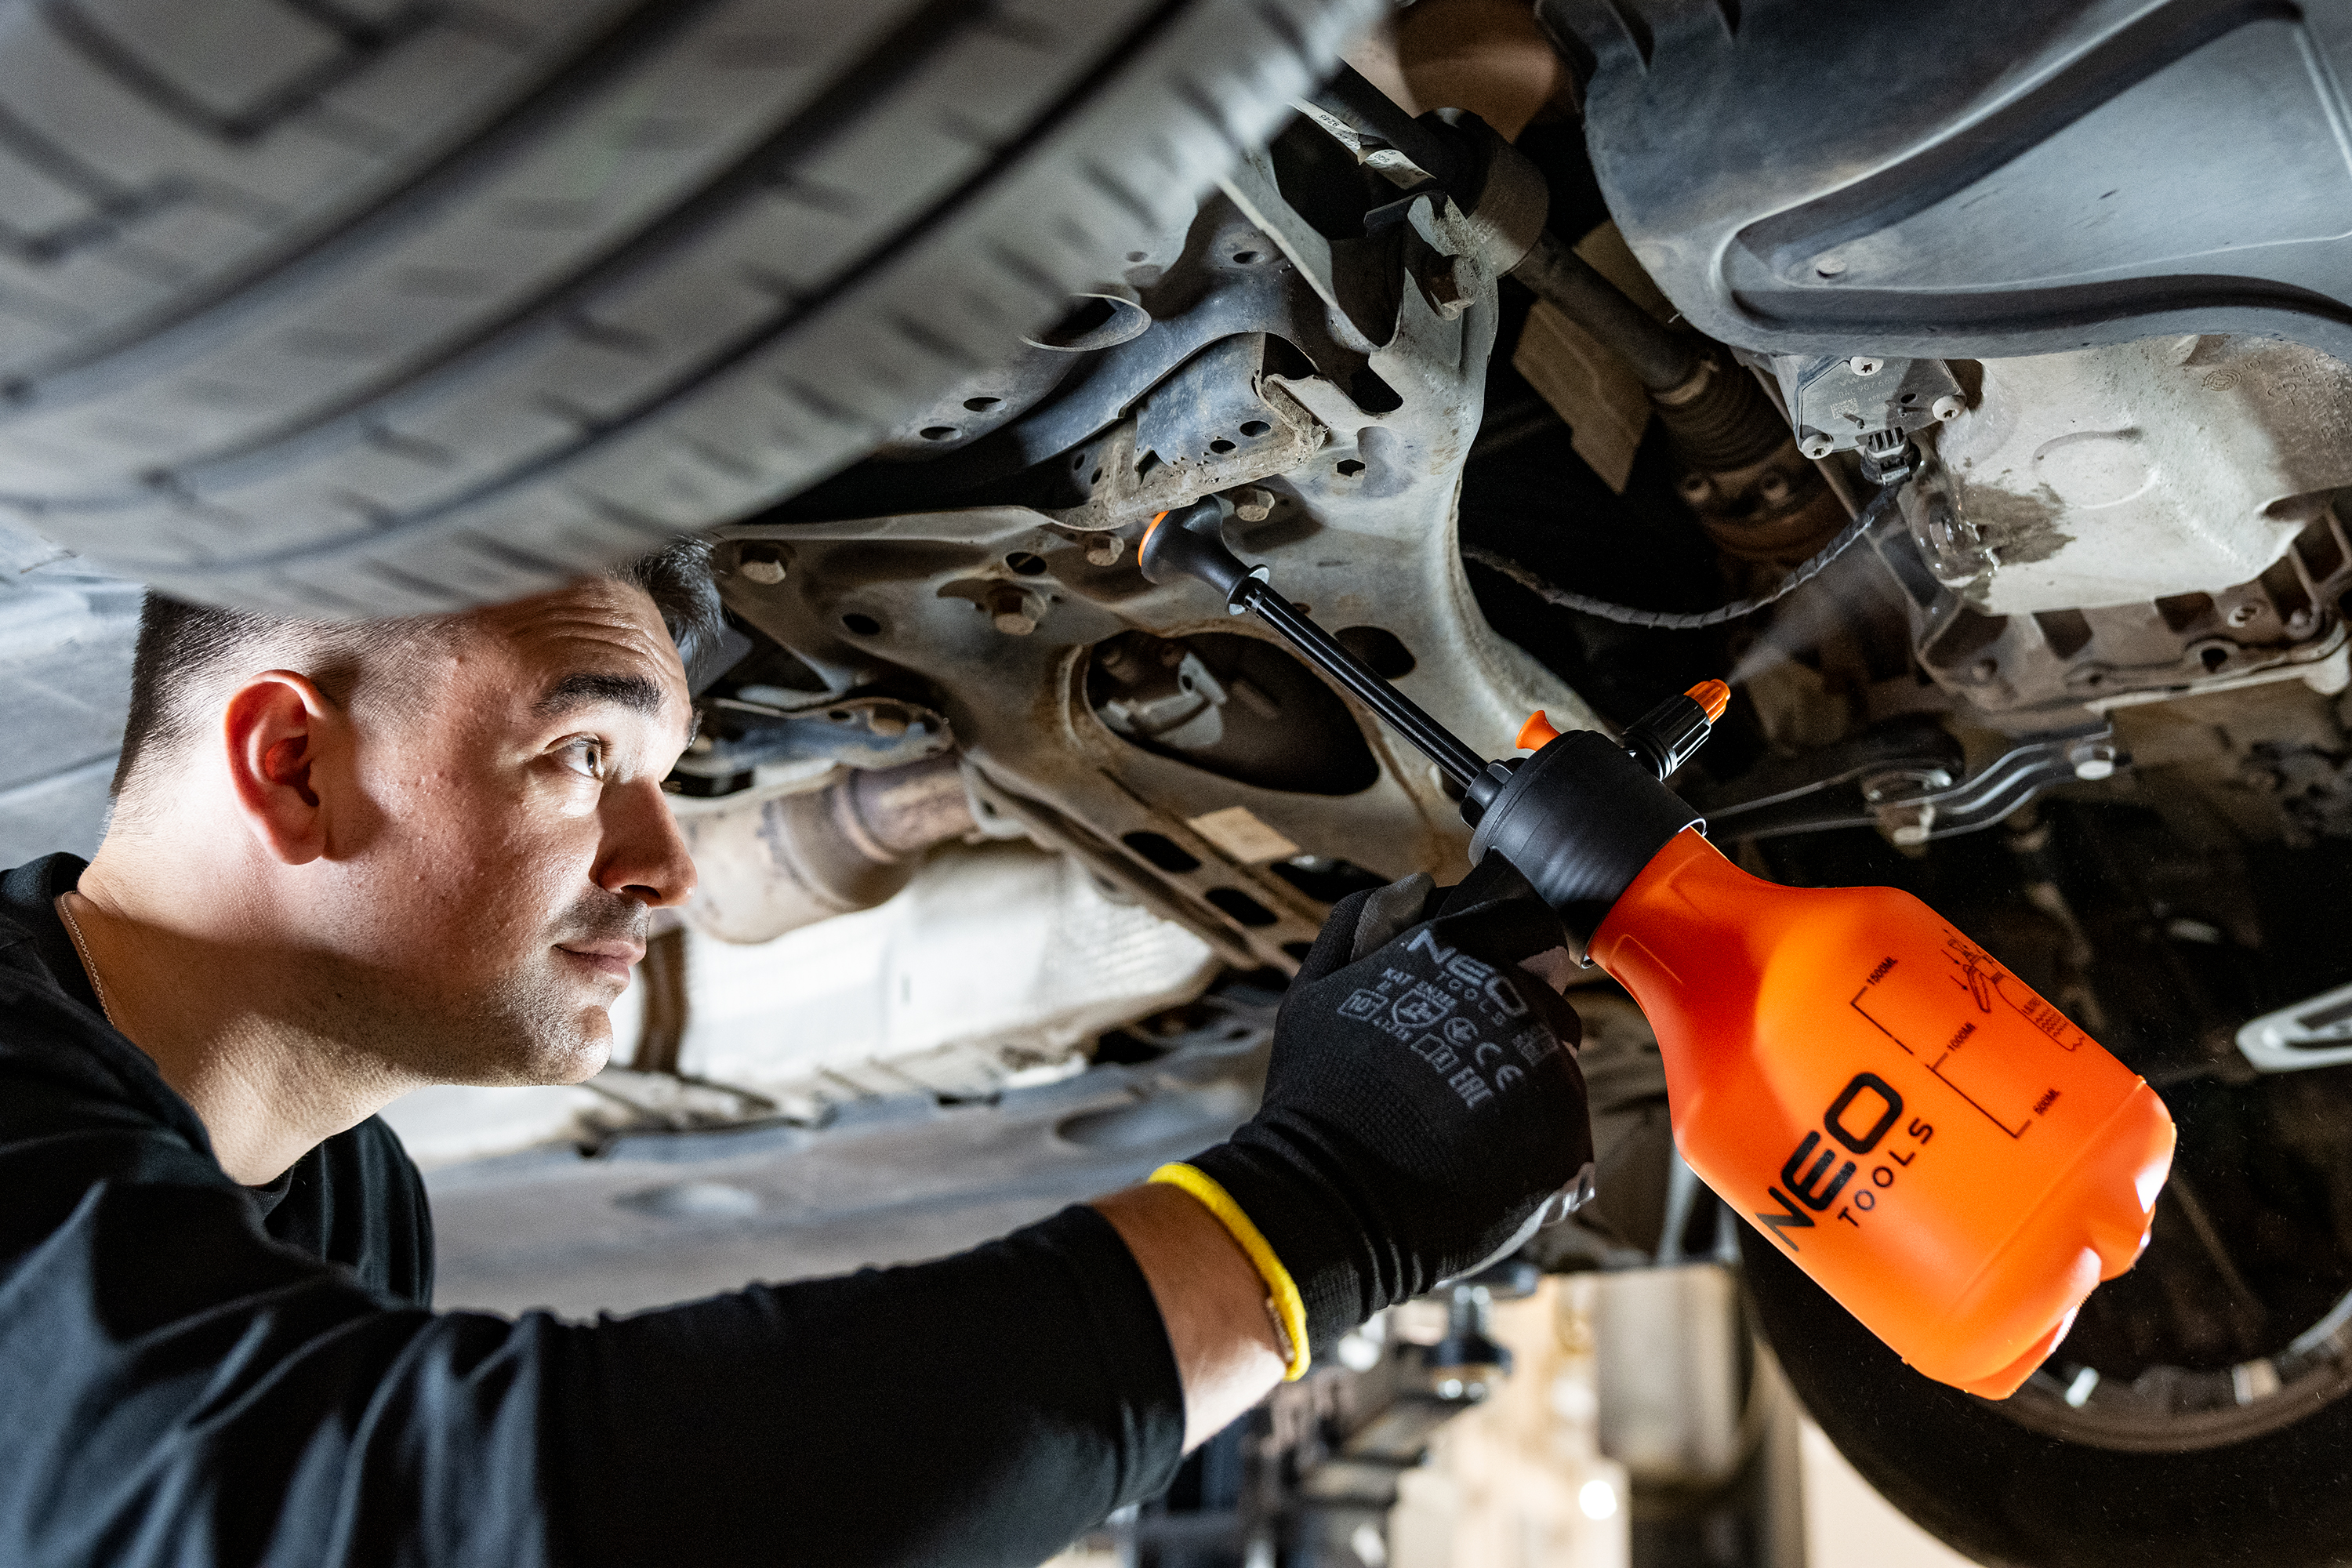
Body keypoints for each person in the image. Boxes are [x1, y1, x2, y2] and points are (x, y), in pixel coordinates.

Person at [0, 542, 1595, 1567]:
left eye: (662, 775)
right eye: (584, 753)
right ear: (290, 762)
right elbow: (446, 1515)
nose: (665, 865)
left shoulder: (347, 1197)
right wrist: (1313, 1215)